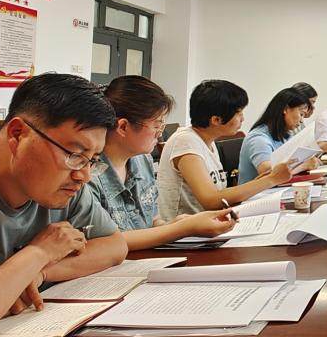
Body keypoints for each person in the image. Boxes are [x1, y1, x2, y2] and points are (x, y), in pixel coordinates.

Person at [0, 73, 127, 337]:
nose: (83, 175)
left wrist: (40, 273)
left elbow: (114, 245)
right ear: (17, 134)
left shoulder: (65, 180)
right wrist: (39, 253)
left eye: (92, 160)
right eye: (75, 154)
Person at [89, 76, 236, 250]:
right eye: (157, 125)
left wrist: (172, 224)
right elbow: (107, 242)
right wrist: (181, 228)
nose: (160, 134)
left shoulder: (142, 160)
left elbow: (152, 220)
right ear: (123, 127)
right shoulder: (88, 173)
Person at [156, 80, 296, 221]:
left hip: (211, 224)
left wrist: (263, 180)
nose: (243, 118)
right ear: (216, 120)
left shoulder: (208, 142)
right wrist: (271, 179)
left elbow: (220, 196)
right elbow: (210, 200)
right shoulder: (185, 141)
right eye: (239, 113)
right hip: (187, 231)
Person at [237, 87, 322, 185]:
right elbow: (268, 173)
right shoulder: (258, 139)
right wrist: (304, 166)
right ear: (285, 109)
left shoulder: (284, 135)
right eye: (301, 114)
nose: (302, 121)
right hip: (258, 194)